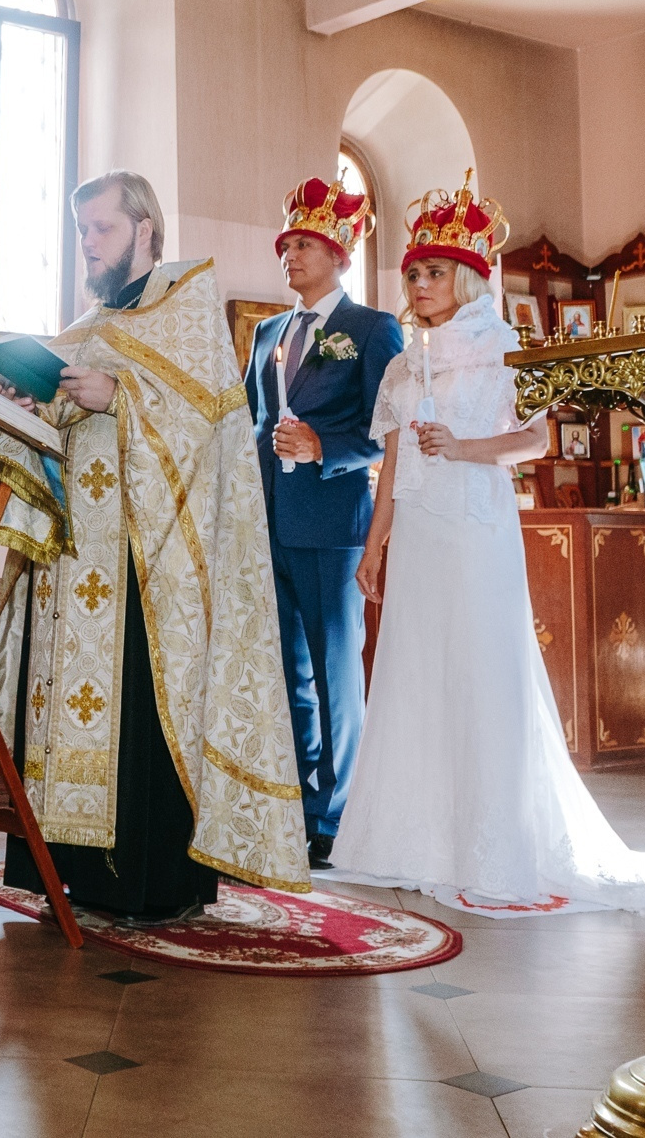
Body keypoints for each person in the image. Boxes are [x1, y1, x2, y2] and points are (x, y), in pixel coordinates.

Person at [328, 174, 645, 914]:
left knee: (480, 672)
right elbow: (395, 462)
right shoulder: (405, 362)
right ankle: (408, 841)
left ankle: (491, 844)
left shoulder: (506, 347)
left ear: (468, 276)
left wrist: (465, 447)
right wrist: (375, 547)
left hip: (476, 530)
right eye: (412, 272)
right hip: (420, 536)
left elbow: (536, 439)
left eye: (434, 271)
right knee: (414, 672)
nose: (421, 282)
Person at [0, 170, 309, 923]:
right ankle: (62, 873)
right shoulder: (90, 326)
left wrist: (123, 395)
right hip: (72, 560)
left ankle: (145, 883)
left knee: (137, 715)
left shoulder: (186, 314)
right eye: (82, 232)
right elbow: (69, 424)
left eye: (100, 229)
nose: (88, 244)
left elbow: (212, 432)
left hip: (146, 568)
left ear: (145, 230)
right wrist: (39, 402)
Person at [244, 178, 402, 870]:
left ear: (338, 253)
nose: (291, 255)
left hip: (335, 523)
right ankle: (298, 806)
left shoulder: (371, 329)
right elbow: (251, 422)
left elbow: (385, 433)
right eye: (286, 245)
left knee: (336, 674)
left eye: (305, 243)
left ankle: (337, 818)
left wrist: (323, 448)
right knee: (286, 673)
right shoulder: (266, 332)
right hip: (270, 519)